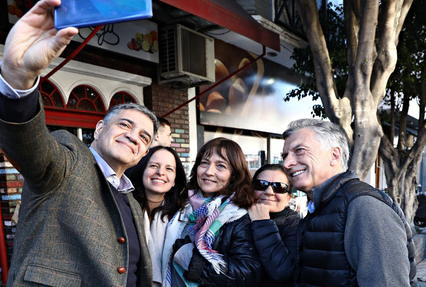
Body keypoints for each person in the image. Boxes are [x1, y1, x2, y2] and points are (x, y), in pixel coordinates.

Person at [0, 0, 156, 287]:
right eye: (125, 125)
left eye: (144, 137)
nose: (133, 137)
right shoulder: (68, 160)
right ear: (99, 129)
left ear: (143, 152)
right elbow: (28, 145)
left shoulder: (134, 202)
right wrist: (19, 76)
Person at [281, 119, 416, 287]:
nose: (287, 163)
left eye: (299, 150)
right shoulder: (323, 205)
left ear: (334, 155)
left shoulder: (364, 206)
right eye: (285, 156)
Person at [161, 137, 261, 287]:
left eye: (220, 166)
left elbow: (248, 272)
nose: (209, 171)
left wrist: (194, 263)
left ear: (234, 175)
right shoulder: (179, 204)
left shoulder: (238, 215)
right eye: (204, 163)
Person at [128, 146, 187, 287]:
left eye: (169, 169)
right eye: (154, 165)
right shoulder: (124, 206)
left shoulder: (182, 217)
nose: (160, 172)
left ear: (174, 181)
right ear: (142, 170)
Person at [248, 164, 299, 287]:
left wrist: (262, 222)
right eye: (261, 185)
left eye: (279, 187)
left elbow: (283, 272)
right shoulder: (236, 217)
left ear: (289, 198)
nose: (269, 192)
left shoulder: (295, 224)